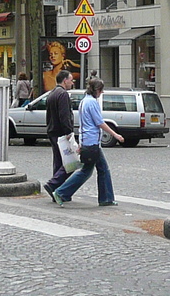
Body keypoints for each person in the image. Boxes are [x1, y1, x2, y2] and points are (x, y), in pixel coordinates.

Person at [51, 77, 122, 207]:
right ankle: (61, 192)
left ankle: (106, 198)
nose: (102, 93)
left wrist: (81, 143)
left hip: (87, 141)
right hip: (92, 142)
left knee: (97, 169)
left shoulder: (84, 101)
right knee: (92, 170)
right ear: (97, 90)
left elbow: (84, 124)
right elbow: (99, 122)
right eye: (101, 90)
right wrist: (115, 135)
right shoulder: (92, 103)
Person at [43, 69, 76, 197]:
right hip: (61, 133)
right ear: (65, 80)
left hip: (52, 132)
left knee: (59, 162)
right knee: (69, 162)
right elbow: (64, 115)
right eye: (71, 80)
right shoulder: (62, 95)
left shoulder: (51, 94)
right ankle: (54, 185)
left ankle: (57, 191)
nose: (72, 82)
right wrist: (68, 132)